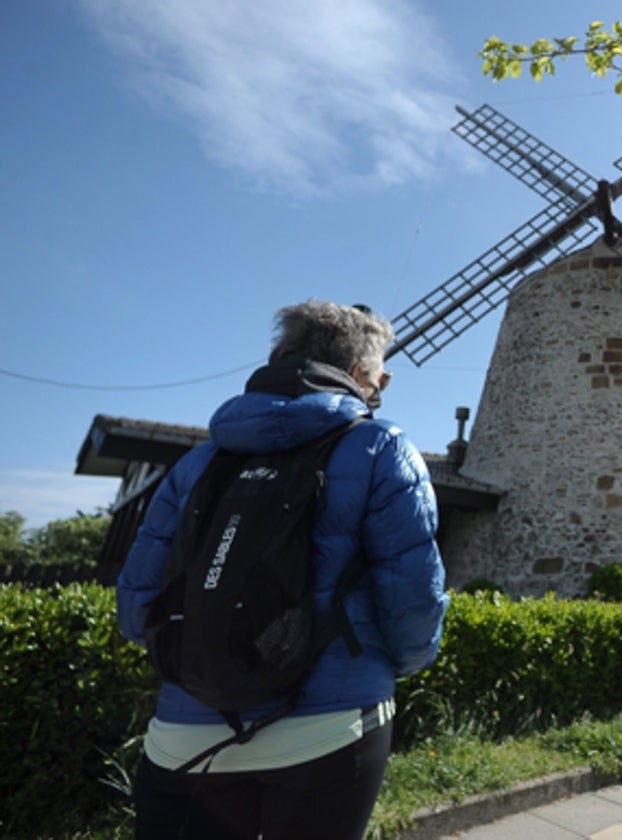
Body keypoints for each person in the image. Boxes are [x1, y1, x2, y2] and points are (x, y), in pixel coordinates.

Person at [117, 300, 449, 840]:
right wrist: (397, 666)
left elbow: (136, 611)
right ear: (360, 375)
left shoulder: (198, 462)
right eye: (382, 377)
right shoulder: (380, 446)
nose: (381, 388)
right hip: (330, 727)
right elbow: (414, 602)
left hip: (186, 731)